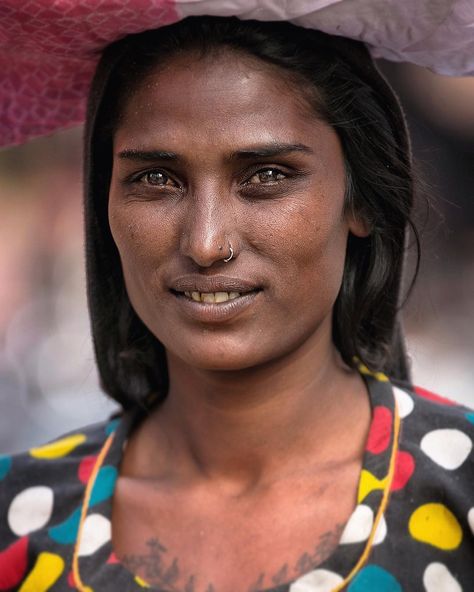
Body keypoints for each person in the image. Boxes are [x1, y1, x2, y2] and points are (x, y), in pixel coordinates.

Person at [1, 15, 473, 592]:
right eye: (156, 178)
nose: (205, 243)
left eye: (267, 175)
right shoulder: (19, 519)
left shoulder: (461, 488)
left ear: (361, 200)